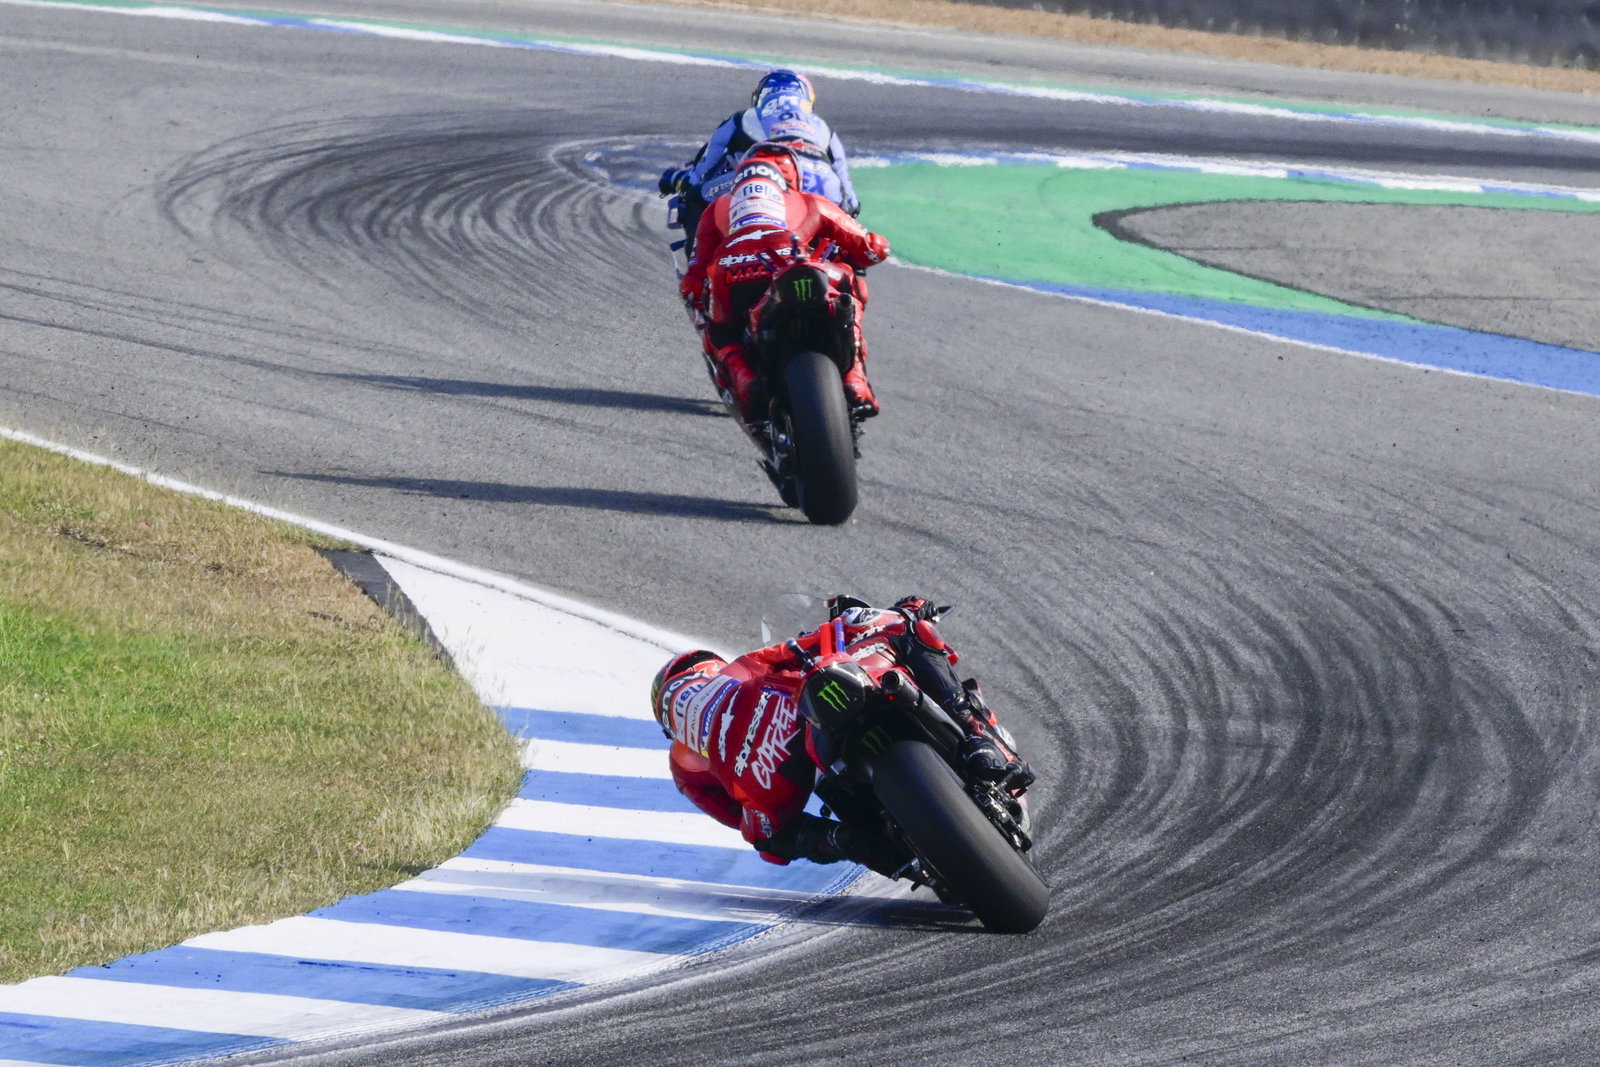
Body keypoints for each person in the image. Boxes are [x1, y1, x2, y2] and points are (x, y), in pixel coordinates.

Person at [649, 595, 1032, 875]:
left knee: (807, 833)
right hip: (811, 727)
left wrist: (828, 840)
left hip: (783, 774)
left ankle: (856, 842)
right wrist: (905, 611)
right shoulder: (744, 668)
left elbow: (754, 834)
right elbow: (821, 638)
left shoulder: (687, 766)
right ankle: (976, 732)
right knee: (908, 630)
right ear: (708, 667)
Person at [677, 141, 890, 429]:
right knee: (851, 287)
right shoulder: (808, 201)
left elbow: (693, 277)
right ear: (791, 179)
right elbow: (869, 249)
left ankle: (743, 376)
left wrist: (699, 295)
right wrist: (871, 250)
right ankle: (854, 378)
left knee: (717, 326)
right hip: (791, 265)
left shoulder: (716, 208)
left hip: (731, 272)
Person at [659, 68, 862, 248]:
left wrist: (684, 181)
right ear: (807, 100)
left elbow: (705, 167)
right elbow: (846, 183)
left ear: (761, 96)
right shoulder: (824, 128)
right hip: (823, 189)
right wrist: (849, 208)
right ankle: (851, 270)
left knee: (696, 196)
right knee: (846, 232)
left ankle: (698, 268)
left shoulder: (743, 118)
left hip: (764, 186)